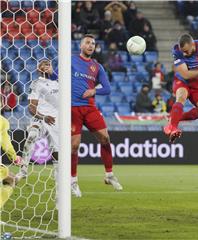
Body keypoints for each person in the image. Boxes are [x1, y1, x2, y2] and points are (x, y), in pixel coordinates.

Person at [71, 35, 122, 197]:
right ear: (81, 45)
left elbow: (107, 89)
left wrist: (93, 90)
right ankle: (72, 181)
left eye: (93, 43)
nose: (91, 45)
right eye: (87, 42)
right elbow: (56, 77)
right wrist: (49, 73)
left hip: (90, 108)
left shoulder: (97, 67)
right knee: (74, 145)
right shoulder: (70, 60)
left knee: (105, 138)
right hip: (73, 108)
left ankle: (109, 175)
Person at [15, 60, 59, 182]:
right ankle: (23, 171)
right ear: (38, 69)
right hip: (41, 117)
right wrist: (43, 117)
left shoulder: (58, 82)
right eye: (43, 64)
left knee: (56, 150)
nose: (46, 66)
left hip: (56, 120)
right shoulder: (36, 84)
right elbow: (31, 107)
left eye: (48, 64)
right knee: (32, 136)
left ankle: (58, 175)